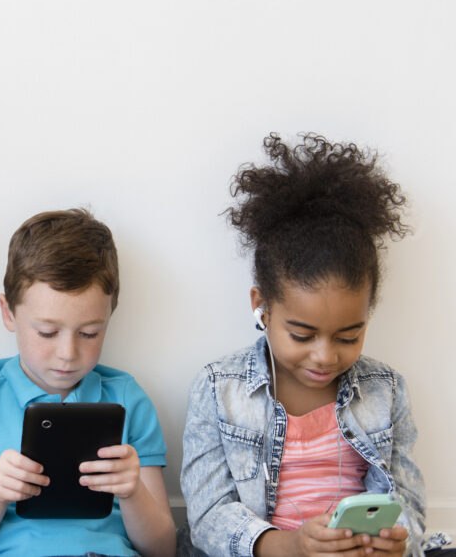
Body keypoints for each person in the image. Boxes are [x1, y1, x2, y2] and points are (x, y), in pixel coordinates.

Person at [180, 133, 443, 557]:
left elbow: (405, 503)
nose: (325, 356)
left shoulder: (386, 389)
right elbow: (209, 517)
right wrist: (293, 545)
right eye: (302, 335)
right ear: (261, 307)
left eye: (349, 336)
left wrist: (396, 542)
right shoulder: (218, 388)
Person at [0, 208, 176, 557]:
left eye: (90, 333)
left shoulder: (126, 397)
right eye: (47, 332)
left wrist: (132, 491)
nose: (67, 353)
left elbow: (164, 549)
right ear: (8, 313)